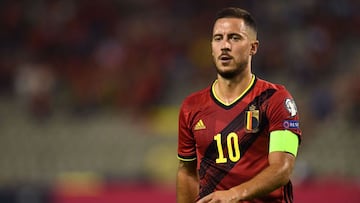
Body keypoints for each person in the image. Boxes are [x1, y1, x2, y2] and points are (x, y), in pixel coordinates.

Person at [176, 7, 301, 203]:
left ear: (253, 47)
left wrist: (234, 194)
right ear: (211, 47)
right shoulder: (191, 107)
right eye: (218, 38)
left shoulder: (276, 99)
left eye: (234, 38)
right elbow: (187, 172)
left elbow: (282, 168)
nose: (225, 45)